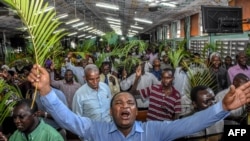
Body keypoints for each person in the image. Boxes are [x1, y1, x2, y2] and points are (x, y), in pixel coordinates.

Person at [25, 64, 250, 141]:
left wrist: (221, 108)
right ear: (111, 111)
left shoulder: (155, 131)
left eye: (130, 103)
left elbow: (190, 124)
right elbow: (69, 120)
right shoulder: (96, 130)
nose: (125, 106)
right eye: (119, 103)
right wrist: (46, 90)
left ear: (136, 110)